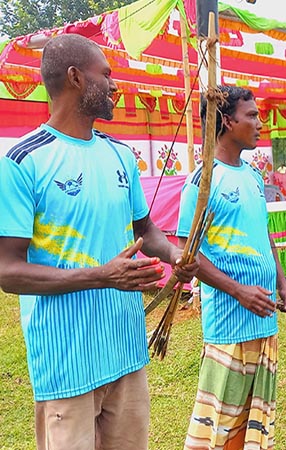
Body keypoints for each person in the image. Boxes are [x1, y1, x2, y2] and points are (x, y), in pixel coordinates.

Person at [0, 34, 197, 450]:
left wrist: (175, 253)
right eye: (105, 74)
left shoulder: (121, 155)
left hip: (125, 351)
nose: (114, 84)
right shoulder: (23, 162)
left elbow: (146, 232)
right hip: (67, 365)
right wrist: (102, 275)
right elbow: (8, 271)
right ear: (75, 77)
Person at [180, 86, 286, 450]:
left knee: (253, 420)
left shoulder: (251, 175)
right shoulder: (203, 181)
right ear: (227, 121)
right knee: (221, 424)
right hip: (229, 326)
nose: (259, 124)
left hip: (264, 319)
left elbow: (263, 231)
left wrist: (283, 284)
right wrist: (239, 291)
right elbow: (189, 256)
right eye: (252, 116)